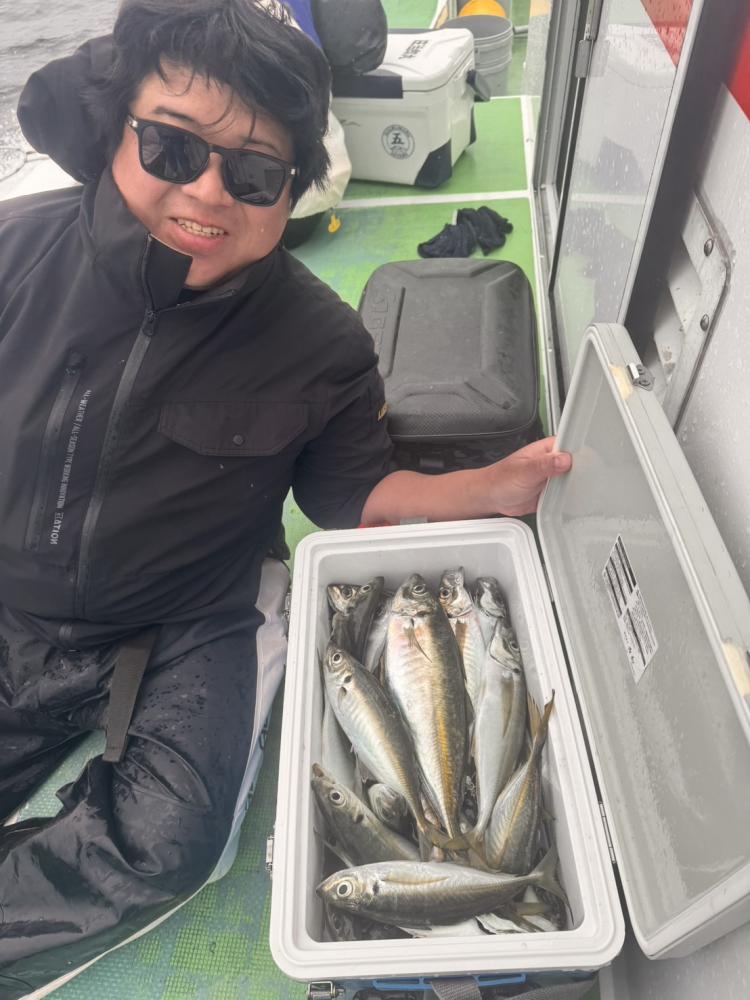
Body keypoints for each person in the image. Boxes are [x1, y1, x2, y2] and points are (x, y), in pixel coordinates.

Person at [0, 1, 571, 995]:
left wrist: (493, 485)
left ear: (292, 190)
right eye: (173, 147)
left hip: (183, 621)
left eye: (255, 173)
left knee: (173, 838)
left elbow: (360, 498)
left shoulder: (321, 341)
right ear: (118, 130)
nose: (207, 192)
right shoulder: (16, 253)